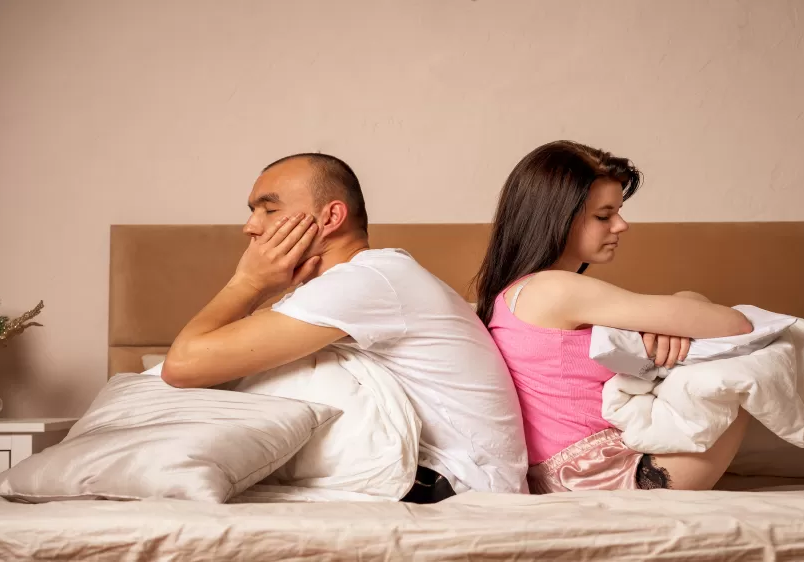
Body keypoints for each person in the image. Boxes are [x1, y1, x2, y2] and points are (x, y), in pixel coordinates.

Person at [162, 153, 529, 501]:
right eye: (252, 212)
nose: (250, 227)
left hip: (461, 485)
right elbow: (207, 360)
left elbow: (182, 367)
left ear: (331, 217)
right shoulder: (355, 285)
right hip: (450, 477)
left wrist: (248, 283)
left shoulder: (368, 281)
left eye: (270, 210)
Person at [473, 140, 755, 493]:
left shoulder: (525, 293)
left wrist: (684, 305)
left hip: (578, 471)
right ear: (555, 219)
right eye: (604, 216)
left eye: (618, 212)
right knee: (750, 363)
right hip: (599, 476)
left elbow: (701, 315)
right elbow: (736, 325)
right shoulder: (555, 290)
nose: (621, 226)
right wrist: (684, 310)